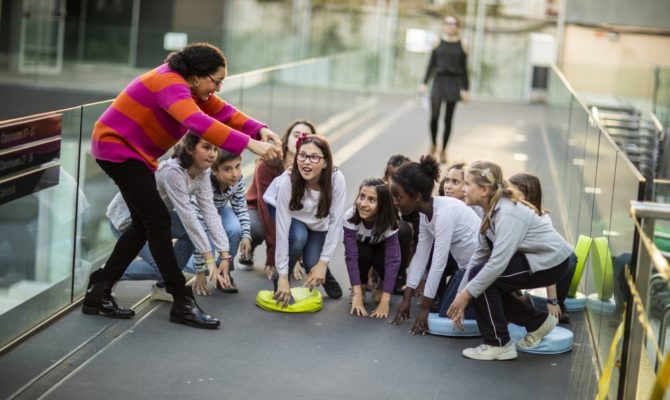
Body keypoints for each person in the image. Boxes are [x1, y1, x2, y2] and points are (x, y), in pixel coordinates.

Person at [83, 42, 282, 329]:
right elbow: (198, 122)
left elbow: (223, 112)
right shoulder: (168, 83)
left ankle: (100, 290)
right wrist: (251, 144)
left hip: (134, 154)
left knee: (144, 224)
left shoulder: (192, 88)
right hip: (117, 150)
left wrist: (259, 129)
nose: (219, 88)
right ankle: (181, 299)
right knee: (157, 220)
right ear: (198, 75)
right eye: (217, 80)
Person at [447, 161, 573, 360]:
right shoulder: (490, 209)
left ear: (484, 189)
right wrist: (460, 297)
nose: (463, 188)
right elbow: (479, 256)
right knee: (479, 276)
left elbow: (496, 264)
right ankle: (538, 322)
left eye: (467, 184)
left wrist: (466, 295)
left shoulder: (508, 212)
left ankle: (498, 344)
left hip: (551, 263)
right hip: (537, 260)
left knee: (484, 278)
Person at [108, 134, 233, 300]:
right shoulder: (172, 172)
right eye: (207, 147)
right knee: (161, 267)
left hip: (156, 219)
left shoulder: (203, 172)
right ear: (189, 149)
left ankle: (164, 285)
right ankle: (108, 272)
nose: (213, 154)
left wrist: (225, 255)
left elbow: (210, 213)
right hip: (126, 221)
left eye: (215, 149)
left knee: (184, 243)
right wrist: (209, 261)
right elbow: (189, 218)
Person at [389, 156, 480, 334]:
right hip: (465, 270)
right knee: (445, 311)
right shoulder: (425, 213)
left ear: (416, 196)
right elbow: (421, 255)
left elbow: (439, 263)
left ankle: (510, 303)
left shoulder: (444, 213)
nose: (395, 202)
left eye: (399, 197)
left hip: (479, 270)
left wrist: (424, 309)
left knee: (446, 315)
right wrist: (406, 298)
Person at [271, 135, 345, 307]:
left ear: (326, 163)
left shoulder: (336, 179)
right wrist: (283, 276)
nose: (306, 161)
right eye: (302, 155)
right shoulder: (287, 181)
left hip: (316, 220)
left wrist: (323, 262)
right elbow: (282, 231)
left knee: (313, 262)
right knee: (298, 237)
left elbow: (336, 223)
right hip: (293, 216)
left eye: (314, 157)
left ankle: (322, 271)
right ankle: (280, 278)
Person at [244, 120, 317, 279]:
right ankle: (247, 249)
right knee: (256, 229)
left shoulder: (312, 167)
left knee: (298, 235)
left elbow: (309, 212)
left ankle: (290, 260)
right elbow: (266, 211)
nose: (300, 139)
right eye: (296, 135)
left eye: (306, 136)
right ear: (287, 138)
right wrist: (272, 257)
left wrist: (297, 255)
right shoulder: (269, 162)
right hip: (258, 207)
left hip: (290, 211)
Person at [509, 172, 576, 324]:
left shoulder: (542, 218)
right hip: (517, 265)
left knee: (570, 257)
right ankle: (518, 300)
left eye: (511, 192)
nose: (507, 195)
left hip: (539, 265)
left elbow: (548, 258)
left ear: (526, 195)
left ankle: (558, 304)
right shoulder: (509, 213)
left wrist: (552, 300)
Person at [344, 177, 401, 318]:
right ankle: (362, 286)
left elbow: (393, 261)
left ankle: (380, 283)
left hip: (380, 254)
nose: (363, 204)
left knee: (392, 248)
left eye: (371, 200)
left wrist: (385, 300)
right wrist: (357, 292)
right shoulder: (350, 216)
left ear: (382, 205)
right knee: (361, 251)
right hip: (363, 252)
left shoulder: (388, 221)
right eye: (362, 196)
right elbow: (350, 257)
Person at [197, 148, 252, 293]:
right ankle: (203, 269)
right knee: (204, 251)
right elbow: (199, 229)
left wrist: (246, 235)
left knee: (235, 229)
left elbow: (240, 205)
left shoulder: (237, 179)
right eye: (227, 169)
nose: (235, 174)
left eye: (238, 167)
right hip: (198, 215)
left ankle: (224, 272)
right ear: (214, 170)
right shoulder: (204, 183)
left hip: (220, 209)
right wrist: (200, 271)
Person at [420, 14, 470, 164]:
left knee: (448, 119)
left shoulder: (463, 44)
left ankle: (444, 150)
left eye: (453, 23)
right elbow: (431, 64)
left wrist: (465, 88)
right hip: (439, 81)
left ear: (457, 26)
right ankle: (434, 143)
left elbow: (464, 69)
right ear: (443, 25)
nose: (450, 25)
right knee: (434, 117)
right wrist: (424, 82)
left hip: (454, 82)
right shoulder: (437, 41)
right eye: (447, 23)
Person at [383, 154, 414, 294]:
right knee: (399, 228)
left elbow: (421, 236)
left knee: (405, 229)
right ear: (386, 178)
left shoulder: (415, 198)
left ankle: (401, 274)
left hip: (404, 249)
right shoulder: (379, 193)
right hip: (380, 245)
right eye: (393, 177)